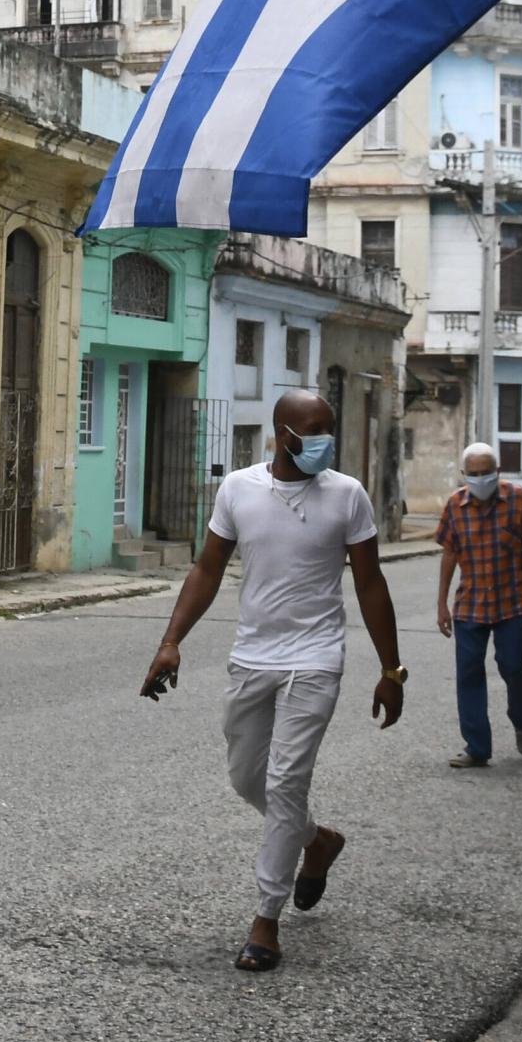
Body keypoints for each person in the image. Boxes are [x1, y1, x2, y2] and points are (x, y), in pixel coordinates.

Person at [138, 390, 405, 974]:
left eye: (328, 430)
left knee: (285, 782)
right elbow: (208, 568)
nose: (324, 442)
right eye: (312, 432)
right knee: (245, 778)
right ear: (281, 434)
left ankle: (266, 918)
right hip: (253, 655)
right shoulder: (238, 488)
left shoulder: (347, 495)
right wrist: (170, 641)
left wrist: (391, 670)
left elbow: (370, 584)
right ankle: (318, 841)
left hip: (315, 657)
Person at [434, 442, 522, 769]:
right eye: (474, 474)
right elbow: (449, 554)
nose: (481, 479)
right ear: (464, 475)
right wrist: (441, 604)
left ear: (497, 472)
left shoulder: (517, 498)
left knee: (513, 667)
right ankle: (477, 747)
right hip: (470, 605)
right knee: (468, 673)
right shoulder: (455, 506)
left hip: (512, 602)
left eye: (487, 473)